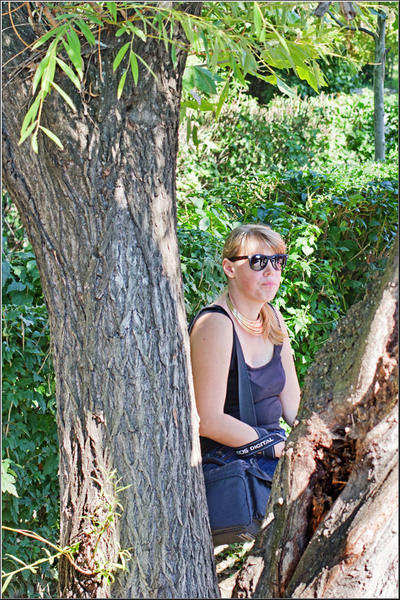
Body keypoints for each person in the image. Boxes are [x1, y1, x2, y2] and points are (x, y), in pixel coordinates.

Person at [189, 223, 300, 479]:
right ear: (230, 268)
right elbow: (208, 419)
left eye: (277, 261)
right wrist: (271, 446)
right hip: (233, 460)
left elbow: (293, 405)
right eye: (258, 261)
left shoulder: (273, 318)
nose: (271, 271)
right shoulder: (215, 323)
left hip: (273, 450)